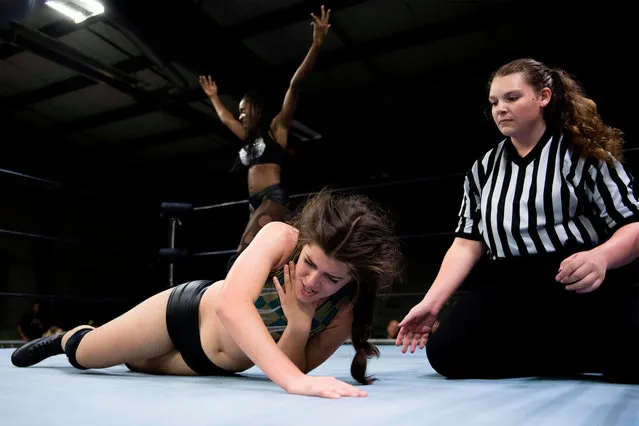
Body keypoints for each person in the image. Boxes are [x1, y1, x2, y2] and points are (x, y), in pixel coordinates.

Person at [11, 189, 402, 399]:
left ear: (351, 280)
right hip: (182, 313)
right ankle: (66, 338)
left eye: (332, 279)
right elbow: (232, 306)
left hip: (216, 363)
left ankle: (98, 343)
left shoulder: (341, 311)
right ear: (306, 244)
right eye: (310, 264)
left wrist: (299, 325)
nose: (313, 282)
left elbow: (287, 367)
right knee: (86, 357)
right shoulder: (281, 238)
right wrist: (294, 384)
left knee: (138, 365)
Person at [396, 58, 639, 383]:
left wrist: (601, 256)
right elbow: (467, 243)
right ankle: (563, 357)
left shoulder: (584, 153)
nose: (500, 109)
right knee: (445, 352)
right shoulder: (483, 169)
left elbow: (632, 224)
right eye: (494, 102)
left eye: (512, 98)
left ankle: (562, 354)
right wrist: (431, 303)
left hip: (577, 282)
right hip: (510, 288)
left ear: (544, 97)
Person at [198, 6, 332, 272]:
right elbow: (226, 119)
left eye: (244, 110)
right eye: (240, 112)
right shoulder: (247, 139)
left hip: (273, 198)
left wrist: (316, 44)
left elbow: (294, 86)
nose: (241, 115)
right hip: (254, 203)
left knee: (242, 254)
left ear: (257, 108)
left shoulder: (276, 129)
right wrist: (213, 98)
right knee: (262, 260)